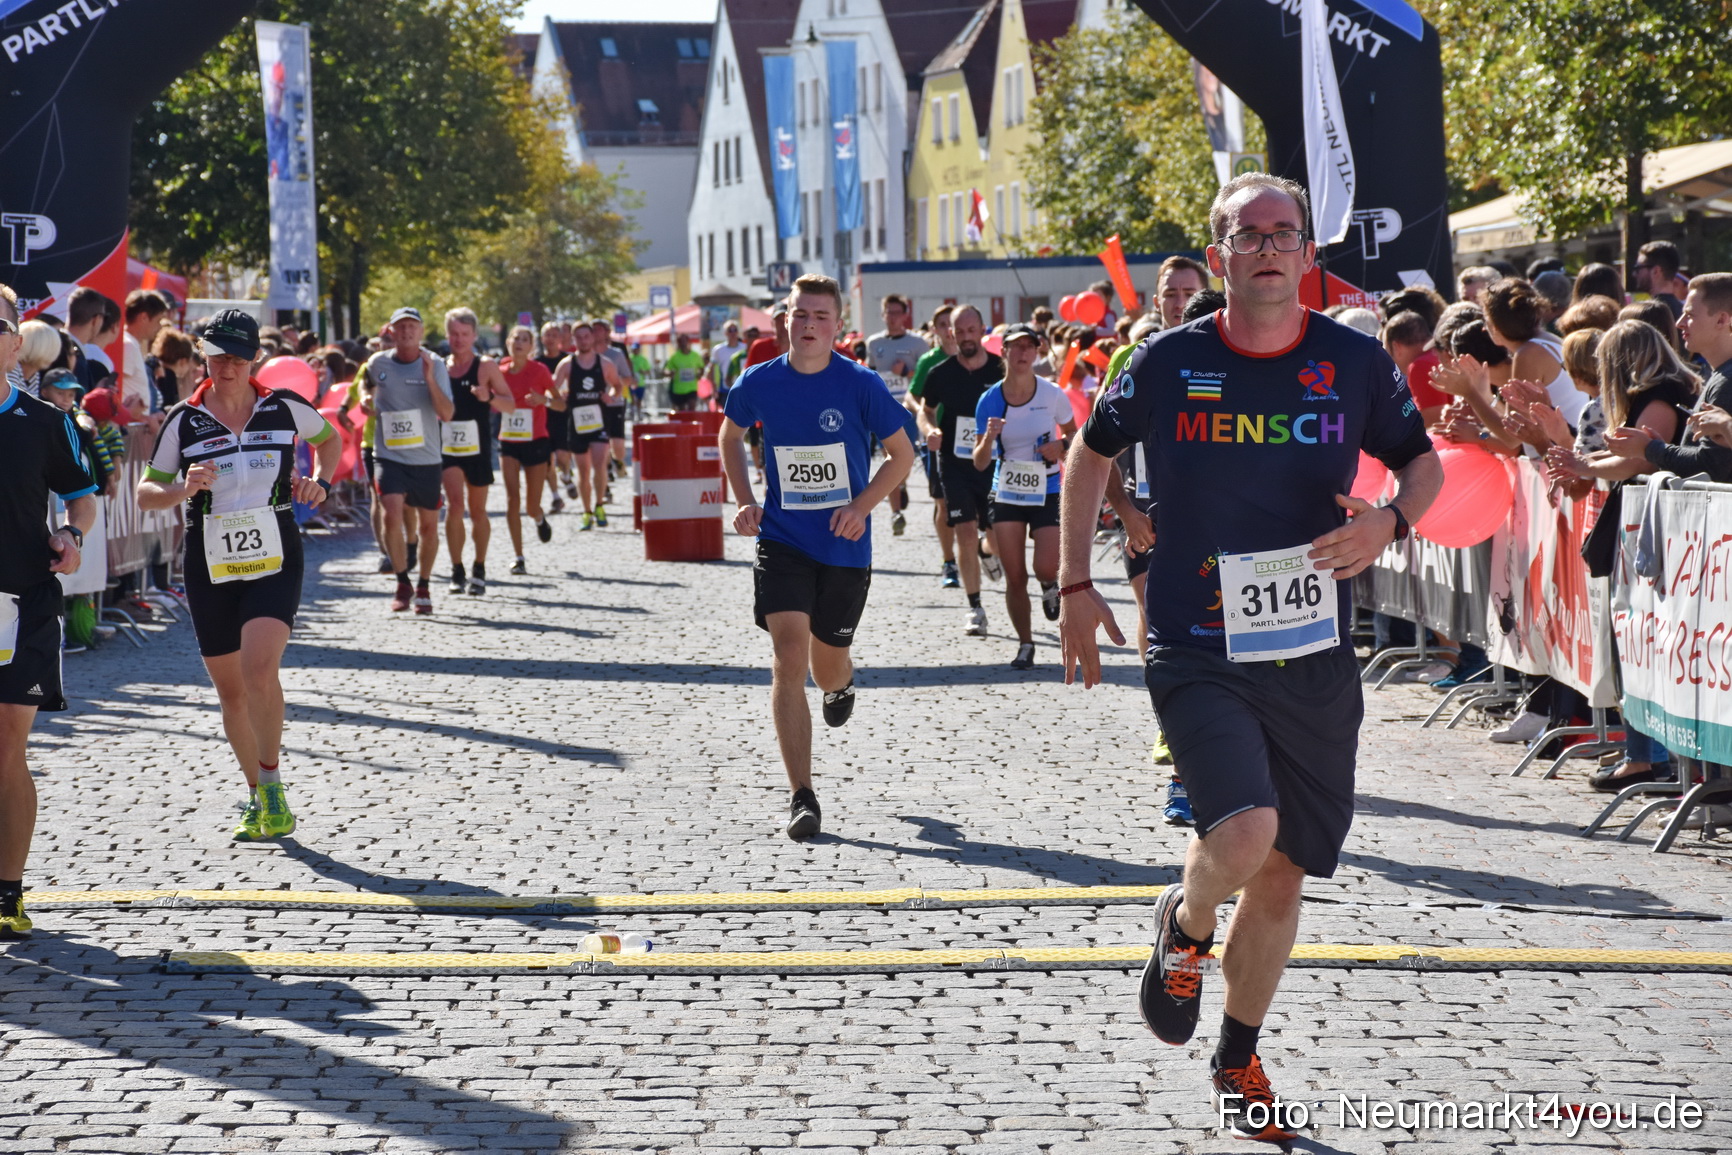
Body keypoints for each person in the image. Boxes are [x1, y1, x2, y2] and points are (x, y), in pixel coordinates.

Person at [1057, 173, 1441, 1142]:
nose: (1268, 247)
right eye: (1248, 234)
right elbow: (1089, 455)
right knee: (1241, 837)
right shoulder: (1164, 360)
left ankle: (1239, 1053)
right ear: (1219, 251)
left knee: (1281, 873)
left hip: (1311, 649)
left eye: (1285, 233)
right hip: (1195, 639)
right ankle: (1183, 931)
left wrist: (1391, 520)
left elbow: (1423, 463)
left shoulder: (1351, 363)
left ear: (1307, 253)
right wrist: (1072, 584)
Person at [719, 274, 915, 840]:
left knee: (829, 661)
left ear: (837, 325)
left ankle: (840, 685)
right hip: (782, 539)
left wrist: (861, 507)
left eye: (820, 317)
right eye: (799, 314)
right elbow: (729, 437)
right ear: (785, 317)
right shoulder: (758, 381)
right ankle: (802, 794)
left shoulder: (861, 384)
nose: (808, 325)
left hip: (844, 545)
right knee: (788, 657)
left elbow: (901, 457)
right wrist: (745, 499)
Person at [136, 308, 341, 843]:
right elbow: (145, 491)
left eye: (236, 357)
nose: (225, 366)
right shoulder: (185, 418)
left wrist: (320, 481)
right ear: (204, 355)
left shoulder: (284, 406)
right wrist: (184, 488)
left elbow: (331, 439)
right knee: (230, 692)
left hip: (273, 551)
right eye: (217, 355)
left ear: (254, 360)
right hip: (210, 559)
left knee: (257, 669)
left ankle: (272, 783)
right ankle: (255, 792)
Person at [0, 285, 99, 939]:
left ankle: (7, 892)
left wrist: (73, 534)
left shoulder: (44, 420)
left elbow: (82, 496)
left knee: (8, 744)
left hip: (24, 598)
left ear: (14, 344)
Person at [970, 324, 1075, 668]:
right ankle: (1025, 644)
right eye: (1015, 347)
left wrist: (1060, 446)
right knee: (1015, 575)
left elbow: (1077, 437)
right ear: (1004, 352)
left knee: (1045, 564)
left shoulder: (1051, 394)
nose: (1022, 354)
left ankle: (1049, 585)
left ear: (1037, 352)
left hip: (1047, 488)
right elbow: (979, 460)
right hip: (1008, 490)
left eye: (1029, 347)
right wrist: (988, 438)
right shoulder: (990, 400)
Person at [919, 304, 1005, 634]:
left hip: (994, 464)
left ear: (983, 330)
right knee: (965, 531)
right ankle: (975, 607)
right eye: (960, 332)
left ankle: (988, 551)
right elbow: (925, 411)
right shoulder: (940, 373)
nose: (967, 337)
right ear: (950, 334)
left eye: (973, 330)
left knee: (995, 539)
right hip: (954, 464)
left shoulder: (1000, 370)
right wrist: (930, 430)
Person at [365, 307, 454, 614]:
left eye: (411, 327)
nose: (406, 332)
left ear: (421, 330)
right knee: (391, 512)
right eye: (400, 327)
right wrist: (366, 403)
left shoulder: (436, 363)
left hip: (427, 458)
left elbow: (447, 413)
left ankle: (424, 584)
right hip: (390, 455)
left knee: (430, 526)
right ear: (391, 330)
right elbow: (367, 390)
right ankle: (402, 581)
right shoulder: (377, 363)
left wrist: (429, 378)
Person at [440, 308, 515, 596]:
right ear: (448, 335)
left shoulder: (485, 367)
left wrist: (490, 397)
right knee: (455, 505)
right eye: (454, 334)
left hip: (478, 447)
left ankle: (479, 566)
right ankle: (456, 568)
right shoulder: (440, 367)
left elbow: (511, 404)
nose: (459, 340)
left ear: (474, 335)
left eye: (464, 334)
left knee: (477, 510)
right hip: (448, 447)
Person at [497, 325, 560, 572]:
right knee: (512, 499)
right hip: (509, 441)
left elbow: (561, 404)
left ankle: (539, 517)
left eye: (525, 339)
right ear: (508, 343)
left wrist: (544, 400)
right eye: (515, 338)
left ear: (532, 346)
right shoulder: (499, 373)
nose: (519, 343)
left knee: (531, 505)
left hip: (536, 441)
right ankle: (519, 557)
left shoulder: (540, 371)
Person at [864, 293, 928, 536]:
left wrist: (908, 372)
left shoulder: (918, 343)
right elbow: (871, 375)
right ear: (883, 315)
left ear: (904, 315)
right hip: (883, 410)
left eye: (896, 312)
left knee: (906, 459)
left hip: (909, 411)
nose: (892, 317)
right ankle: (896, 513)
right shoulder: (874, 343)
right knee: (890, 456)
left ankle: (900, 484)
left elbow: (927, 377)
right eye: (887, 312)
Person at [555, 322, 622, 532]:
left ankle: (600, 504)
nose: (583, 340)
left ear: (592, 338)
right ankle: (586, 511)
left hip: (599, 422)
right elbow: (552, 389)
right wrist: (560, 396)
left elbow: (618, 386)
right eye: (579, 337)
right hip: (576, 423)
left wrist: (610, 396)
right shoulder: (567, 365)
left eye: (586, 336)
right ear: (573, 340)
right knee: (583, 472)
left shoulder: (604, 364)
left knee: (600, 463)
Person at [592, 319, 634, 489]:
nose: (596, 333)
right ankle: (607, 469)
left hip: (615, 403)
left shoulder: (616, 354)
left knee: (617, 444)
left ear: (607, 332)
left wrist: (614, 380)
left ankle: (619, 461)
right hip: (594, 405)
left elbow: (629, 379)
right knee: (602, 442)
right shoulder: (586, 355)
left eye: (599, 330)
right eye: (593, 330)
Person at [121, 289, 171, 424]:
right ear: (143, 317)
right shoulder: (128, 345)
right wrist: (141, 418)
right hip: (129, 431)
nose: (159, 326)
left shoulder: (132, 344)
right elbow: (117, 392)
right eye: (158, 320)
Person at [539, 323, 573, 508]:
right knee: (546, 461)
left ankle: (566, 475)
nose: (550, 339)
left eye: (554, 335)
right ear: (542, 338)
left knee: (562, 456)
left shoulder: (568, 361)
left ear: (560, 339)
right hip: (542, 415)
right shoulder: (536, 362)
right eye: (547, 335)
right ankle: (555, 496)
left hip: (562, 414)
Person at [1152, 256, 1209, 330]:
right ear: (1157, 303)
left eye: (1189, 295)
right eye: (1171, 295)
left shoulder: (1219, 341)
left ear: (1206, 300)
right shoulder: (1146, 342)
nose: (1180, 304)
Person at [1633, 240, 1684, 320]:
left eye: (1638, 268)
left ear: (1656, 271)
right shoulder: (1684, 312)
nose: (1634, 274)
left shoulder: (1647, 313)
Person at [666, 332, 705, 412]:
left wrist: (700, 374)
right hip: (679, 389)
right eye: (681, 341)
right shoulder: (675, 356)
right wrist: (669, 373)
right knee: (682, 411)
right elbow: (666, 369)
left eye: (685, 341)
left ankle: (693, 423)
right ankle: (686, 424)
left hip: (692, 387)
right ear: (678, 343)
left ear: (688, 342)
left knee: (692, 406)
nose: (683, 343)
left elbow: (702, 367)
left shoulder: (695, 356)